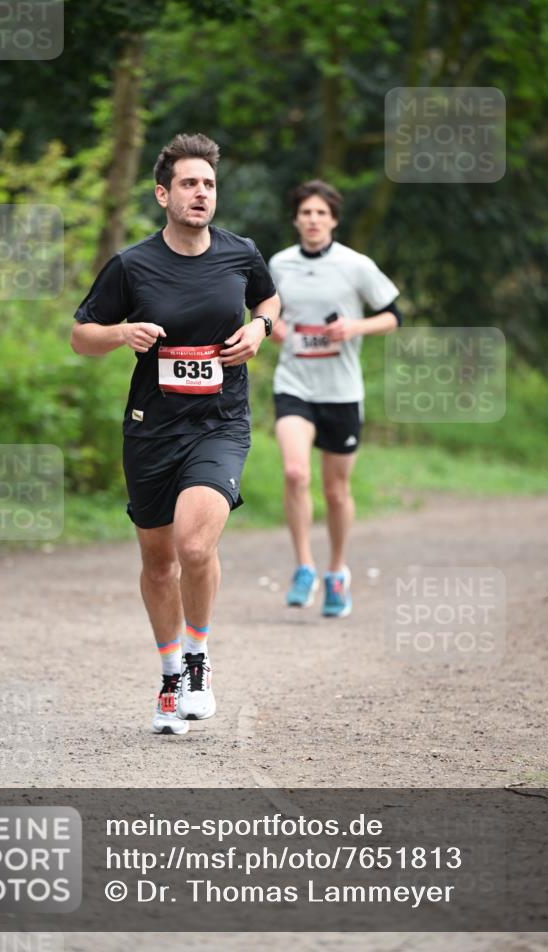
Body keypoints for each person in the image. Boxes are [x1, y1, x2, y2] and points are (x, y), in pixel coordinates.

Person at [71, 133, 279, 734]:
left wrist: (261, 327)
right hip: (151, 429)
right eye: (189, 183)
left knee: (194, 546)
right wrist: (121, 334)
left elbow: (268, 298)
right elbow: (81, 335)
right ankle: (168, 675)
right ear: (164, 194)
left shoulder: (240, 253)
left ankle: (198, 658)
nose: (201, 193)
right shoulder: (132, 265)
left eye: (209, 184)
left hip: (220, 423)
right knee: (159, 562)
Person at [269, 179, 401, 618]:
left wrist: (354, 328)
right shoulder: (280, 264)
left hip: (341, 392)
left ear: (334, 220)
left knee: (337, 490)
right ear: (295, 219)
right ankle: (304, 566)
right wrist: (273, 327)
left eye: (321, 213)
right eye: (305, 213)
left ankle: (337, 571)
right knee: (294, 472)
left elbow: (392, 316)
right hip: (295, 384)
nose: (312, 220)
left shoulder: (356, 265)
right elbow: (264, 311)